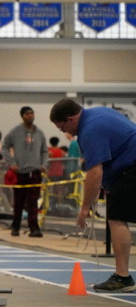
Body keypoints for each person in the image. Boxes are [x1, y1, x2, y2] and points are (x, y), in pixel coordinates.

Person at [50, 98, 136, 292]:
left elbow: (95, 173)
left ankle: (123, 278)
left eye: (62, 127)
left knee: (117, 218)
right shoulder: (99, 113)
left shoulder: (89, 131)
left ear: (71, 119)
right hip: (128, 166)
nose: (63, 132)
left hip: (130, 169)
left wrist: (84, 208)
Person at [1, 106, 48, 237]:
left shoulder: (39, 133)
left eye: (32, 113)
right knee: (19, 202)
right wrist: (11, 163)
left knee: (33, 201)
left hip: (35, 172)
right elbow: (4, 147)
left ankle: (34, 228)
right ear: (22, 116)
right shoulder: (15, 132)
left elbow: (44, 150)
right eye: (27, 114)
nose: (30, 115)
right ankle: (16, 226)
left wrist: (43, 164)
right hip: (20, 172)